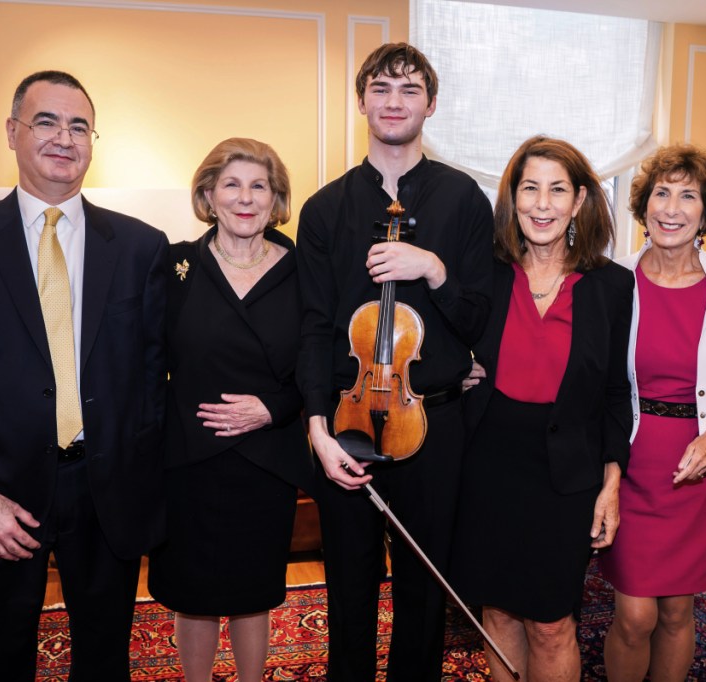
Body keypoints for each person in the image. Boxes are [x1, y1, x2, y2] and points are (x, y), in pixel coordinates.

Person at [0, 71, 167, 681]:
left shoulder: (140, 246)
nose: (64, 137)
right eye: (46, 121)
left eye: (79, 125)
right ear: (13, 132)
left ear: (92, 141)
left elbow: (155, 377)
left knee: (106, 658)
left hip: (105, 494)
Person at [295, 42, 494, 681]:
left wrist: (434, 269)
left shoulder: (464, 199)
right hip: (347, 425)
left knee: (424, 588)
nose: (394, 101)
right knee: (349, 584)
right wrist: (318, 430)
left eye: (410, 90)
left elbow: (477, 318)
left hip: (435, 426)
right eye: (381, 88)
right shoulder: (325, 209)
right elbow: (314, 327)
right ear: (361, 101)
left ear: (430, 105)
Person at [451, 135, 634, 682]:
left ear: (579, 201)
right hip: (487, 462)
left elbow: (616, 394)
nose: (542, 203)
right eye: (530, 188)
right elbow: (442, 337)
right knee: (497, 610)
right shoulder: (485, 272)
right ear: (513, 197)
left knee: (553, 623)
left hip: (566, 472)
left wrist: (611, 482)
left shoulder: (612, 286)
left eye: (557, 190)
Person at [147, 138, 313, 682]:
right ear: (208, 195)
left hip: (266, 461)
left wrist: (272, 409)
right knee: (191, 594)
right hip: (189, 460)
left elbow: (320, 365)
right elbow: (146, 363)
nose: (246, 198)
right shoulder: (173, 266)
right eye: (232, 185)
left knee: (252, 592)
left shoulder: (302, 270)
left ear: (276, 198)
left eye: (258, 186)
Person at [599, 144, 706, 681]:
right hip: (629, 463)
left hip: (697, 469)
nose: (671, 207)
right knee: (635, 614)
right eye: (661, 193)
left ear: (705, 212)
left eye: (687, 195)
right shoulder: (612, 280)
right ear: (643, 206)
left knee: (676, 609)